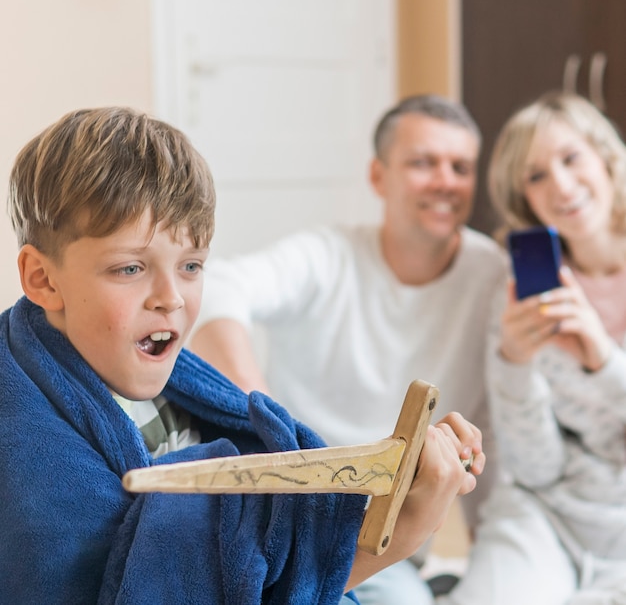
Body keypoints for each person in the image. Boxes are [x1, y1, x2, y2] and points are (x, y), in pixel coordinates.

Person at [0, 106, 484, 605]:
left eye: (191, 265)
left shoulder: (159, 375)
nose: (171, 296)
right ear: (42, 278)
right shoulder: (27, 447)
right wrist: (397, 538)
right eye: (130, 269)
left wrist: (396, 478)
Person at [190, 94, 507, 604]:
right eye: (424, 163)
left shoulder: (491, 273)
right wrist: (267, 421)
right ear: (379, 176)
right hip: (298, 512)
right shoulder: (327, 257)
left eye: (460, 167)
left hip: (394, 539)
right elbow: (218, 288)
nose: (446, 181)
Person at [438, 91, 626, 604]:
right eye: (536, 176)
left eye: (571, 159)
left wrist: (603, 362)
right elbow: (534, 467)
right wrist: (514, 367)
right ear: (525, 200)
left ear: (606, 158)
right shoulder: (521, 295)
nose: (561, 186)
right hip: (544, 515)